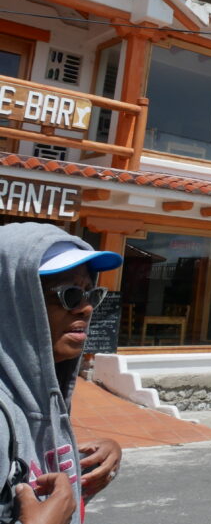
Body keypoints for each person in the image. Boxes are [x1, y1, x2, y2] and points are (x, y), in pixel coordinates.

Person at [1, 222, 125, 524]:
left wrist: (96, 459)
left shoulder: (39, 395)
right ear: (13, 303)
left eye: (90, 294)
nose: (85, 308)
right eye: (69, 295)